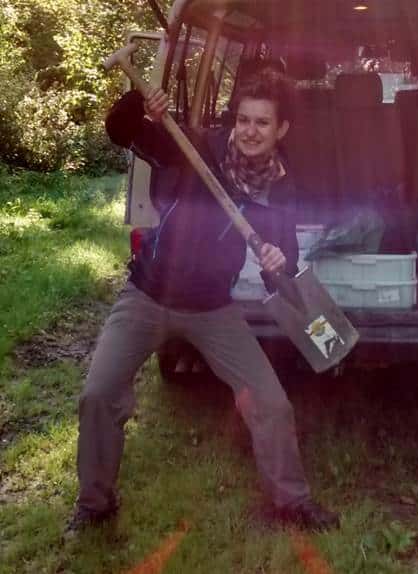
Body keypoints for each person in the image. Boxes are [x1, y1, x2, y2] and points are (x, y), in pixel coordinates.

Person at [66, 68, 340, 534]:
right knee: (97, 395)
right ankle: (94, 505)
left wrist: (276, 257)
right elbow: (122, 131)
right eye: (244, 119)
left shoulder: (279, 187)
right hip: (148, 295)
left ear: (281, 130)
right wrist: (138, 100)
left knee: (272, 404)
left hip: (213, 309)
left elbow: (285, 260)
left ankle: (293, 502)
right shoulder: (195, 149)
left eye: (262, 123)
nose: (250, 131)